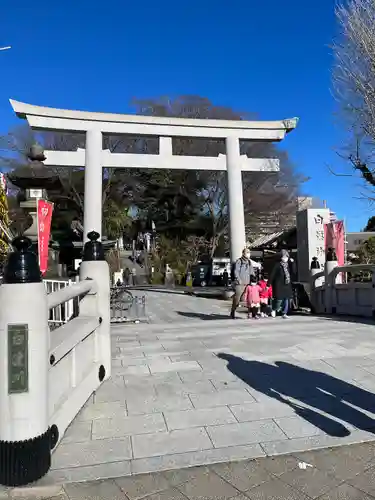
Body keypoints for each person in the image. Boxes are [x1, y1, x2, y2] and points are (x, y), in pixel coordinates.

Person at [269, 249, 295, 319]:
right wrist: (269, 283)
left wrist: (292, 263)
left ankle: (284, 312)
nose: (285, 258)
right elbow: (272, 274)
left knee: (286, 299)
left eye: (286, 257)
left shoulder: (288, 265)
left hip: (287, 284)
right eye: (284, 257)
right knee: (279, 299)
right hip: (279, 285)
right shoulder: (278, 265)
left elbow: (293, 272)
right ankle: (274, 309)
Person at [230, 248, 255, 319]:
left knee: (248, 299)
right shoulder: (239, 261)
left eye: (249, 252)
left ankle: (249, 313)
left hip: (248, 283)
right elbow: (236, 271)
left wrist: (254, 280)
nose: (249, 254)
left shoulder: (249, 262)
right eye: (247, 252)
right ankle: (233, 311)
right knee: (237, 299)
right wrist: (238, 280)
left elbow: (252, 272)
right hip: (240, 284)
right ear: (243, 253)